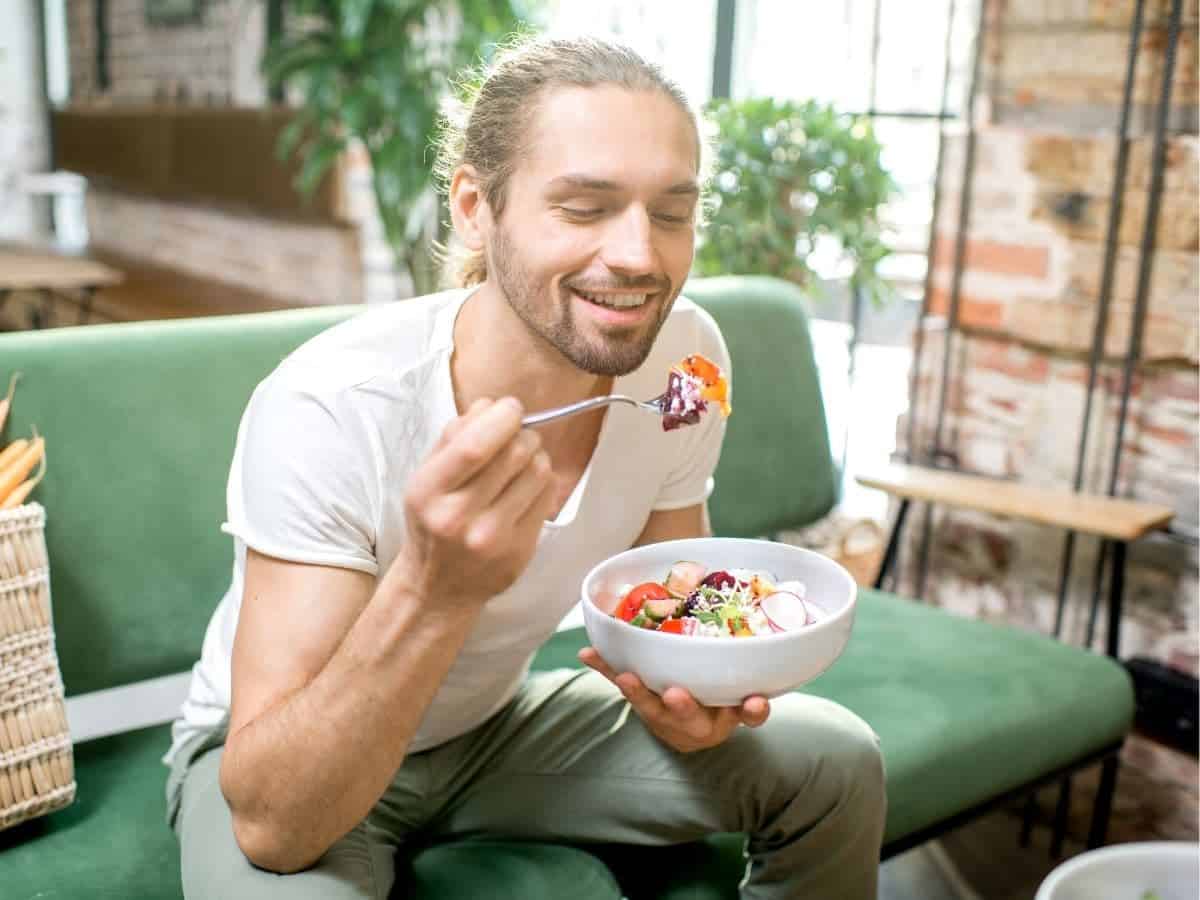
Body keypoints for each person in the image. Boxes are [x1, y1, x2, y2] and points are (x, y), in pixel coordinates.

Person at [164, 35, 886, 900]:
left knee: (836, 760)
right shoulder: (333, 403)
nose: (640, 256)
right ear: (475, 206)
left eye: (671, 212)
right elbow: (275, 825)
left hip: (490, 727)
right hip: (294, 757)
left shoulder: (684, 360)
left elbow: (672, 601)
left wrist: (693, 697)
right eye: (585, 208)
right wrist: (436, 588)